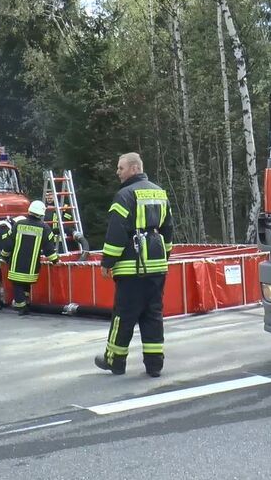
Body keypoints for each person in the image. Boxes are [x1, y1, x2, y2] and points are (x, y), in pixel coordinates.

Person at [95, 152, 174, 377]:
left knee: (124, 315)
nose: (117, 172)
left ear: (133, 168)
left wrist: (107, 262)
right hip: (157, 267)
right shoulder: (160, 193)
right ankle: (154, 365)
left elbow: (117, 233)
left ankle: (115, 361)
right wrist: (164, 257)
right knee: (153, 314)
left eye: (120, 168)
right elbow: (168, 229)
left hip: (132, 268)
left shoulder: (124, 195)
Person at [0, 202, 60, 315]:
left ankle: (21, 306)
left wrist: (3, 256)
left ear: (29, 211)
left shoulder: (18, 224)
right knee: (26, 284)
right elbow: (49, 249)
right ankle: (25, 303)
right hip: (32, 266)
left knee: (17, 284)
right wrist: (55, 260)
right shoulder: (44, 228)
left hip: (16, 263)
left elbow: (9, 243)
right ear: (41, 214)